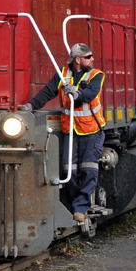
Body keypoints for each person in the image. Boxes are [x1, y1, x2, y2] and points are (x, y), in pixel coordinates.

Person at [19, 42, 105, 223]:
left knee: (88, 170)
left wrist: (76, 94)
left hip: (91, 131)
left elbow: (90, 93)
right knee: (68, 170)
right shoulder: (62, 74)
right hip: (71, 130)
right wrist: (31, 106)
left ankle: (81, 208)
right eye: (89, 56)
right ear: (78, 60)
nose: (93, 59)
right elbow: (48, 92)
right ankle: (75, 204)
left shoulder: (96, 75)